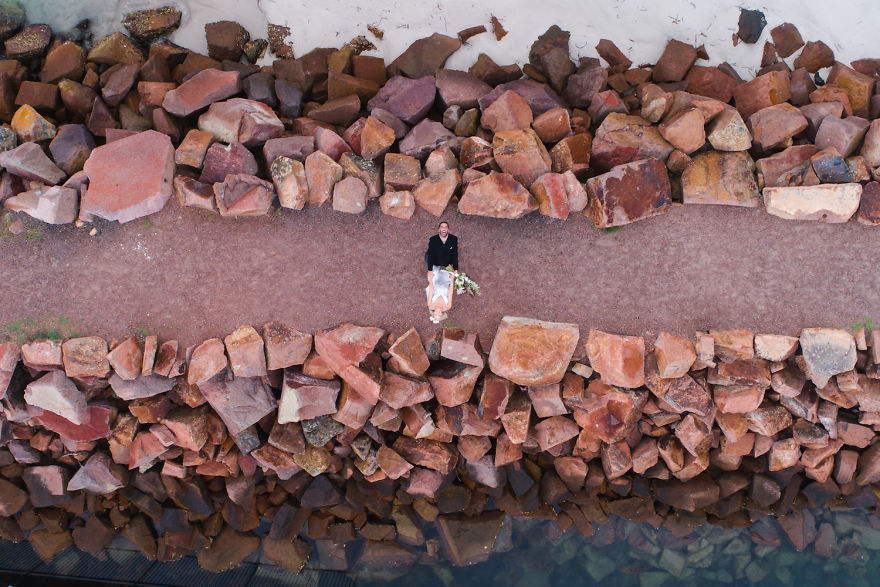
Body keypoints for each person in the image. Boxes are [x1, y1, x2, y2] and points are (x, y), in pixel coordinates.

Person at [425, 222, 459, 323]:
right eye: (440, 315)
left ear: (433, 313)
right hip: (445, 284)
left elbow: (431, 290)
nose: (438, 313)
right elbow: (450, 292)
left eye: (435, 314)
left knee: (433, 263)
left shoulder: (430, 305)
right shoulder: (447, 307)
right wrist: (452, 280)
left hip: (435, 283)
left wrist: (431, 278)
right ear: (442, 314)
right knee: (451, 268)